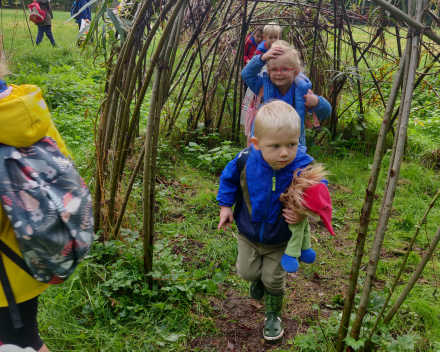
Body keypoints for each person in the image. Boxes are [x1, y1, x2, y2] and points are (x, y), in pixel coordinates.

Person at [217, 100, 316, 343]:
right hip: (247, 232)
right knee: (246, 271)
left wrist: (303, 211)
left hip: (280, 238)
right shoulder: (245, 161)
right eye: (276, 146)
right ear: (257, 143)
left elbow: (317, 192)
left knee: (274, 279)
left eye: (291, 144)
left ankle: (273, 315)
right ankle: (256, 280)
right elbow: (228, 180)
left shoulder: (301, 166)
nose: (284, 153)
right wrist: (225, 206)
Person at [0, 62, 69, 351]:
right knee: (25, 340)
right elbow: (63, 165)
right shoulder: (25, 105)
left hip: (5, 280)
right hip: (28, 260)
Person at [241, 40, 332, 146]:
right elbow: (246, 74)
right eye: (274, 69)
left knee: (293, 161)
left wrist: (317, 102)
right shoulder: (263, 85)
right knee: (264, 161)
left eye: (284, 69)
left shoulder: (301, 91)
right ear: (269, 71)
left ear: (296, 72)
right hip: (266, 140)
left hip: (293, 142)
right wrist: (261, 58)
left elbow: (326, 113)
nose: (278, 73)